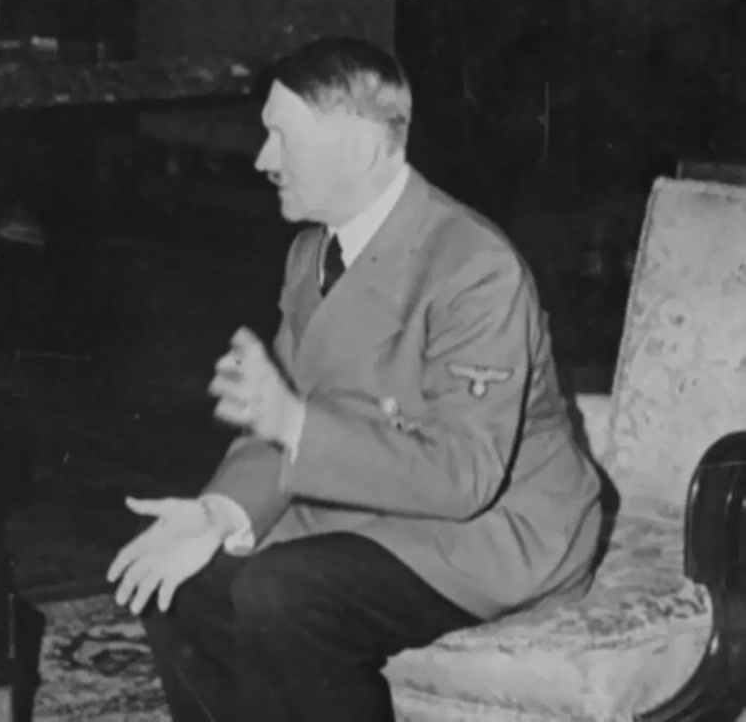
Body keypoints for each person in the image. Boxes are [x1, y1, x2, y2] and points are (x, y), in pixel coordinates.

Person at [107, 37, 604, 721]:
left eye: (283, 138)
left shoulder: (473, 266)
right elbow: (280, 419)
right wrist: (217, 514)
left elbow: (464, 475)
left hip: (493, 529)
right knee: (176, 573)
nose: (262, 159)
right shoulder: (311, 251)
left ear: (363, 150)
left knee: (285, 592)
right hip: (369, 500)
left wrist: (293, 423)